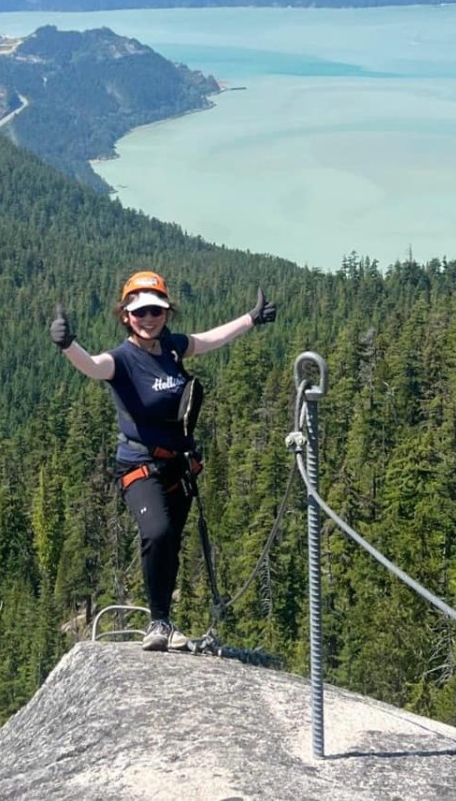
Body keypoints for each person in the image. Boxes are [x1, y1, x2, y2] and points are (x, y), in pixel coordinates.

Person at [50, 270, 276, 651]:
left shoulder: (171, 348)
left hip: (178, 467)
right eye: (140, 312)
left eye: (156, 310)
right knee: (157, 533)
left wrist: (250, 319)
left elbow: (208, 340)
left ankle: (165, 623)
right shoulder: (121, 360)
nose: (149, 318)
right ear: (126, 316)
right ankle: (157, 622)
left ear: (167, 312)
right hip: (139, 466)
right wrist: (68, 344)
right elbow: (92, 366)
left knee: (169, 543)